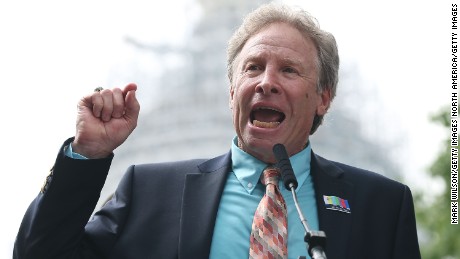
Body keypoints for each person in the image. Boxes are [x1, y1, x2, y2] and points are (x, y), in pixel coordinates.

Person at [13, 3, 421, 259]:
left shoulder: (381, 206)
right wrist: (87, 155)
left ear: (323, 98)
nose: (266, 82)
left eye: (289, 70)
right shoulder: (150, 192)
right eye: (253, 67)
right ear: (231, 92)